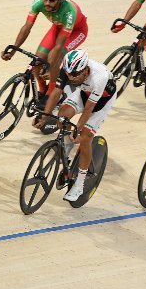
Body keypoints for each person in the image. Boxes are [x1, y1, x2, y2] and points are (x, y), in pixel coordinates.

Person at [34, 49, 117, 202]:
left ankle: (79, 184)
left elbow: (89, 108)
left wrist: (78, 129)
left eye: (75, 75)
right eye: (69, 74)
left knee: (85, 137)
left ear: (85, 70)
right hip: (84, 93)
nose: (71, 78)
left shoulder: (100, 77)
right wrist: (45, 116)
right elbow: (56, 92)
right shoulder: (69, 71)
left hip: (101, 102)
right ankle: (67, 146)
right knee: (62, 117)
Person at [1, 0, 88, 107]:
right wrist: (13, 49)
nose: (47, 2)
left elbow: (58, 46)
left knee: (56, 57)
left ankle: (51, 92)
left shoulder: (69, 12)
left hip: (76, 31)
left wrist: (50, 66)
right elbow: (26, 27)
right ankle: (42, 89)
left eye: (52, 0)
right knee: (37, 60)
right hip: (58, 27)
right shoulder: (38, 2)